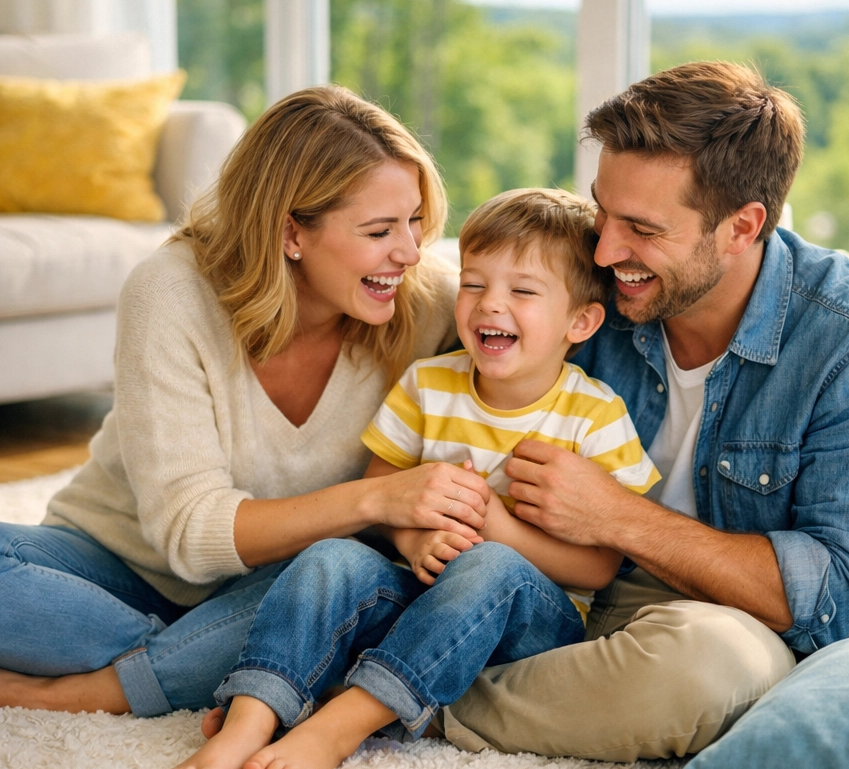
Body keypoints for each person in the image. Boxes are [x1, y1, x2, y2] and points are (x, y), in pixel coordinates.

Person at [431, 61, 849, 762]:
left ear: (743, 226)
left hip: (707, 617)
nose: (606, 250)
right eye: (601, 211)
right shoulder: (587, 284)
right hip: (537, 584)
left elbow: (845, 594)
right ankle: (417, 668)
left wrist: (615, 515)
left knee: (708, 670)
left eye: (641, 228)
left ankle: (413, 700)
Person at [0, 86, 493, 718]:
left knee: (347, 575)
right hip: (117, 565)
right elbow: (189, 533)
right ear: (292, 232)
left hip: (281, 589)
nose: (409, 251)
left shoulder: (426, 306)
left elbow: (548, 322)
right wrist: (376, 498)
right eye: (378, 230)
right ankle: (208, 663)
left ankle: (92, 683)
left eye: (415, 221)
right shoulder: (171, 291)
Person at [159, 187, 659, 769]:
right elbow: (378, 491)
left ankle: (347, 722)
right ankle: (252, 714)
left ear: (580, 321)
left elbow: (602, 568)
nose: (489, 306)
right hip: (419, 597)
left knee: (493, 565)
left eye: (522, 292)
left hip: (526, 623)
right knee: (331, 557)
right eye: (474, 285)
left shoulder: (594, 415)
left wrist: (499, 531)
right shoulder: (429, 384)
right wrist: (412, 534)